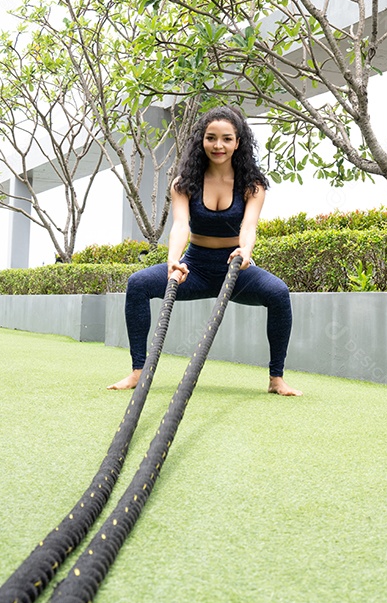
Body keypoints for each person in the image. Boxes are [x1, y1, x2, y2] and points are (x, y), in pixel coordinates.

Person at [109, 106, 302, 396]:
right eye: (211, 138)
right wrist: (174, 261)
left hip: (236, 270)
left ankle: (277, 379)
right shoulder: (183, 183)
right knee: (138, 284)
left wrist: (245, 251)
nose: (218, 145)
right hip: (195, 268)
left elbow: (249, 227)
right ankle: (138, 371)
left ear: (238, 142)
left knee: (278, 293)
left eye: (226, 139)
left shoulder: (252, 185)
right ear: (201, 140)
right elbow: (181, 225)